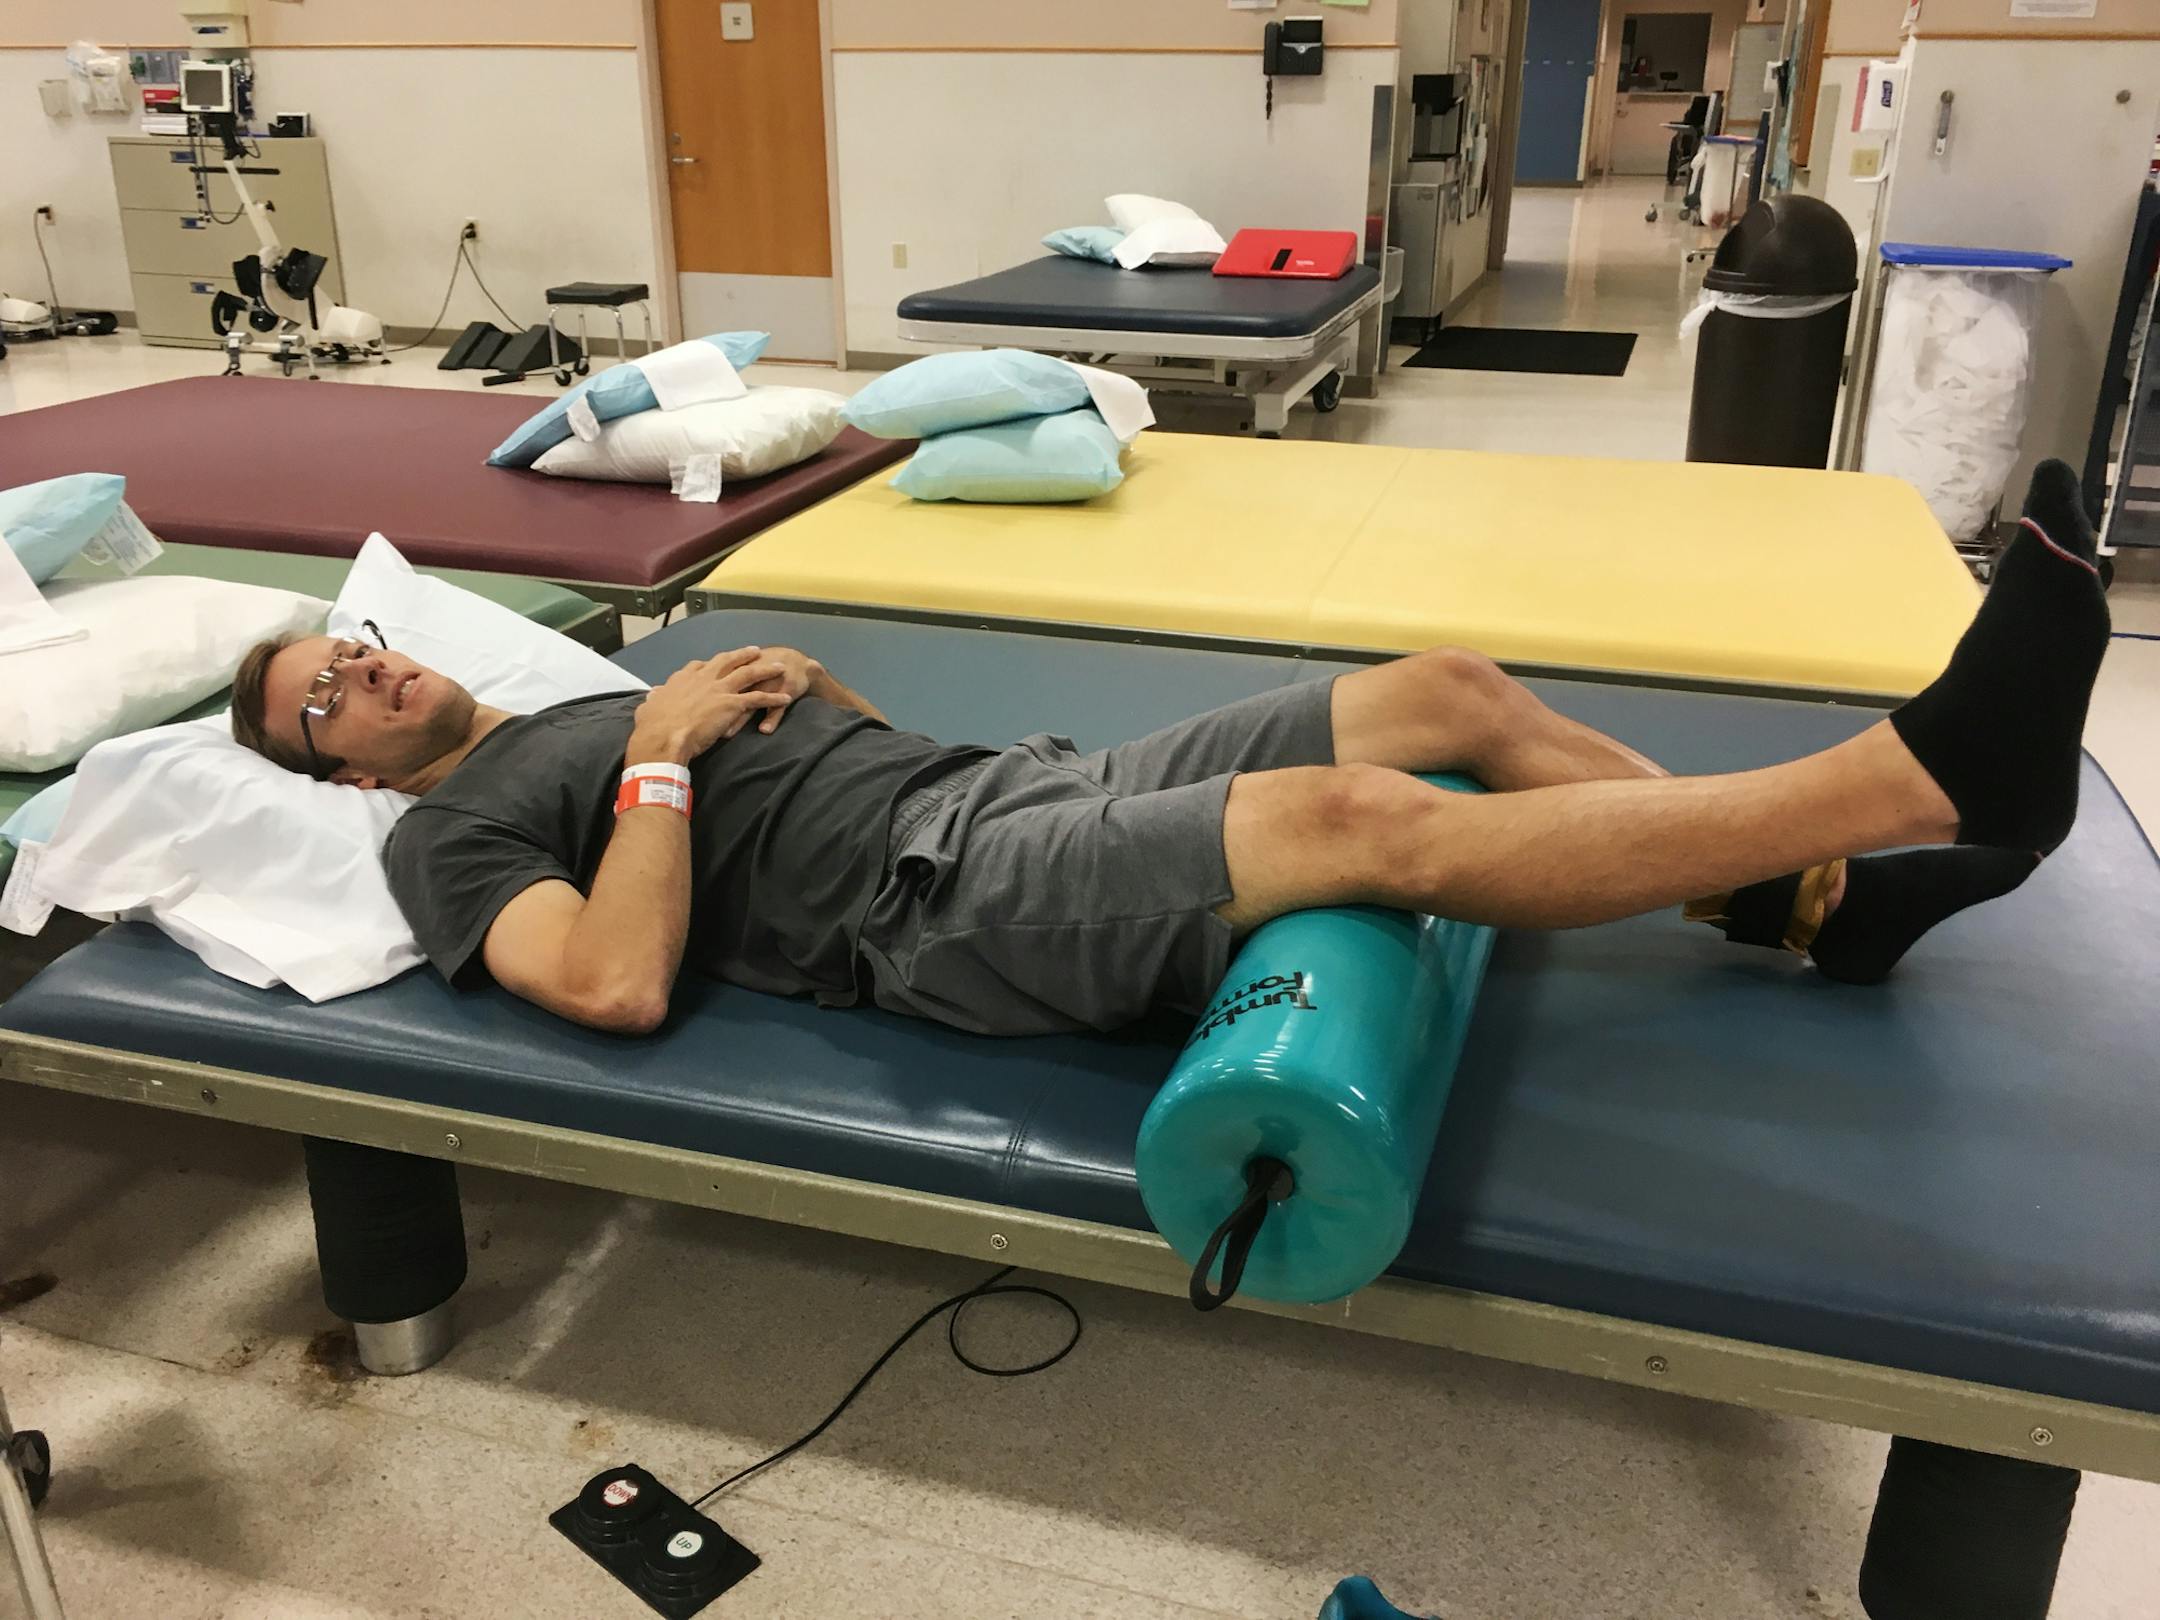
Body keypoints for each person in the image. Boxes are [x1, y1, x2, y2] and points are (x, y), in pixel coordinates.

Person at [226, 463, 2109, 1039]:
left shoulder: (564, 698)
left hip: (996, 790)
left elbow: (849, 761)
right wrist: (656, 755)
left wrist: (799, 693)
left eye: (361, 649)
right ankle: (1926, 778)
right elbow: (619, 979)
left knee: (1442, 689)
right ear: (342, 777)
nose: (370, 679)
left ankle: (1815, 901)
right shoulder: (446, 839)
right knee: (1363, 819)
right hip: (937, 915)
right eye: (330, 699)